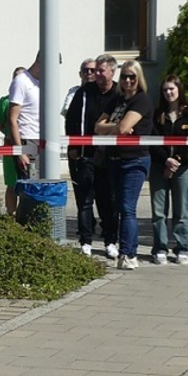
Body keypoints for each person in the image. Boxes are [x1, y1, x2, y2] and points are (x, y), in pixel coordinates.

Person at [95, 60, 154, 270]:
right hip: (114, 159)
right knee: (119, 207)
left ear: (139, 79)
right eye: (124, 76)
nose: (128, 80)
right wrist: (117, 127)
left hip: (134, 160)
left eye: (132, 76)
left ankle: (128, 254)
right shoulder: (117, 100)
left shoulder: (142, 100)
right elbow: (98, 127)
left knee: (128, 208)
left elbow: (123, 128)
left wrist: (117, 128)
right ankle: (129, 250)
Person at [65, 54, 121, 258]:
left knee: (108, 202)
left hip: (109, 157)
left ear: (112, 72)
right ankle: (85, 241)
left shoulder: (118, 94)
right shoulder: (84, 93)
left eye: (100, 70)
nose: (96, 74)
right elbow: (71, 120)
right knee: (85, 201)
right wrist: (73, 146)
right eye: (95, 70)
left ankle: (110, 241)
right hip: (85, 155)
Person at [149, 75, 188, 265]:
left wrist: (175, 162)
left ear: (179, 90)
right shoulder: (157, 114)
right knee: (159, 211)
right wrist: (165, 160)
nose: (169, 92)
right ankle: (159, 248)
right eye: (165, 89)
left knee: (181, 210)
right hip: (159, 167)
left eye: (172, 89)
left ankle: (182, 247)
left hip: (183, 169)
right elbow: (152, 143)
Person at [0, 67, 25, 215]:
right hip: (10, 146)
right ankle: (11, 215)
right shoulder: (5, 101)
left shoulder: (32, 99)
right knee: (12, 184)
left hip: (29, 145)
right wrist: (11, 135)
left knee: (28, 182)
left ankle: (25, 214)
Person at [8, 53, 41, 180]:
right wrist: (20, 152)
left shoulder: (44, 83)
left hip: (43, 140)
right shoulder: (21, 81)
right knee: (30, 189)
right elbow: (12, 119)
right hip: (28, 139)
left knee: (43, 188)